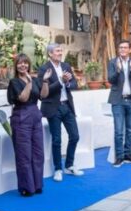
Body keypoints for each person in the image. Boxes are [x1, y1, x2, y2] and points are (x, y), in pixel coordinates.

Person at [38, 43, 83, 181]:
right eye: (57, 51)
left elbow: (74, 84)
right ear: (50, 54)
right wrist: (61, 81)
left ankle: (69, 165)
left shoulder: (66, 66)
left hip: (67, 106)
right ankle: (58, 169)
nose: (60, 52)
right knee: (56, 140)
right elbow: (43, 92)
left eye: (60, 50)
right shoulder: (44, 69)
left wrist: (68, 83)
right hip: (53, 107)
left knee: (75, 136)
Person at [7, 54, 48, 196]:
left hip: (35, 116)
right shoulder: (14, 82)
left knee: (38, 152)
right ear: (16, 66)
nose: (23, 65)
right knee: (24, 154)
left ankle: (37, 185)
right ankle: (26, 187)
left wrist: (46, 82)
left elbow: (43, 96)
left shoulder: (36, 79)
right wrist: (29, 83)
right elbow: (23, 98)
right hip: (21, 117)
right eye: (20, 63)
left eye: (25, 63)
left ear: (29, 65)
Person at [107, 40, 131, 167]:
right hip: (118, 100)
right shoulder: (112, 62)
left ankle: (128, 155)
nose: (122, 49)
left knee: (130, 130)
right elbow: (110, 80)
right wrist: (118, 70)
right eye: (120, 47)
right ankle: (119, 157)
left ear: (129, 50)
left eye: (125, 47)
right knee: (118, 131)